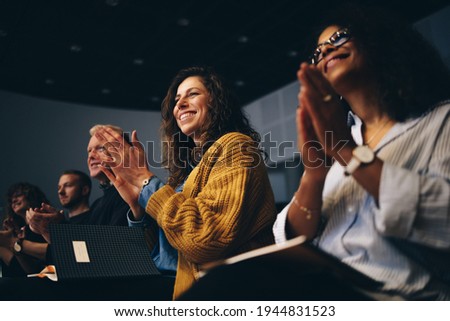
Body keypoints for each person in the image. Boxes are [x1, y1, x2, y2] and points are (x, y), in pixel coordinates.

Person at [270, 3, 450, 300]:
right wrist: (314, 175)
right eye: (318, 52)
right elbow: (290, 239)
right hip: (322, 291)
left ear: (380, 45)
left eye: (339, 37)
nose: (326, 51)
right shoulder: (338, 141)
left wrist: (348, 153)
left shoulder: (439, 120)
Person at [95, 66, 277, 299]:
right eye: (177, 99)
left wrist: (144, 180)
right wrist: (138, 209)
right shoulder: (184, 175)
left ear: (216, 101)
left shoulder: (236, 145)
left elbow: (205, 239)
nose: (179, 104)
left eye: (192, 94)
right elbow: (158, 256)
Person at [0, 182, 49, 276]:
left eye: (18, 195)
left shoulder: (44, 223)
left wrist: (11, 240)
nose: (13, 200)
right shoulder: (18, 227)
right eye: (11, 200)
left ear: (31, 196)